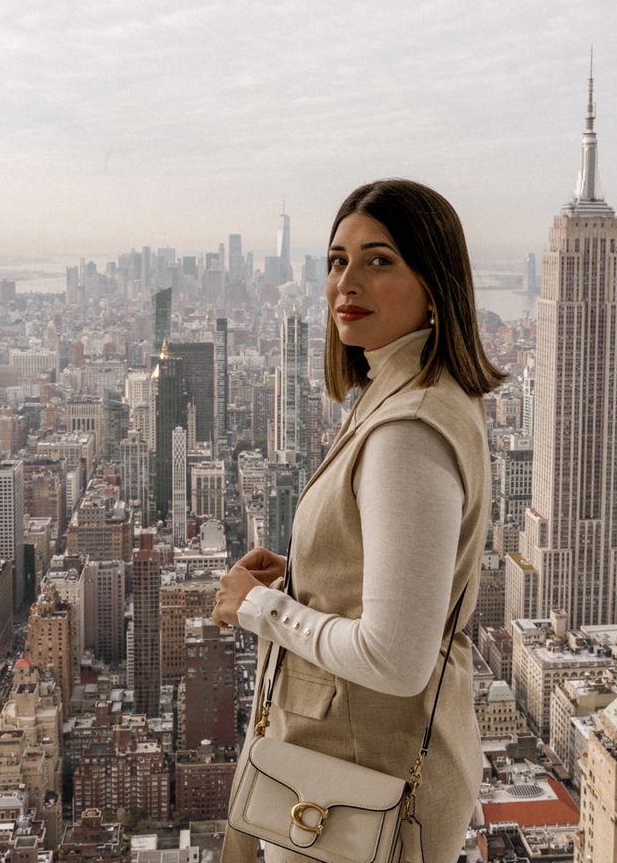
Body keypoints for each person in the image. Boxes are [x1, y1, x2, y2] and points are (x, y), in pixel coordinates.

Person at [213, 179, 503, 862]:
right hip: (344, 777)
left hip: (354, 789)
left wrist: (258, 608)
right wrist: (315, 573)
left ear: (435, 285)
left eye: (380, 260)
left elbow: (397, 659)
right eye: (337, 261)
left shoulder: (408, 429)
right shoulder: (403, 391)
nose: (348, 281)